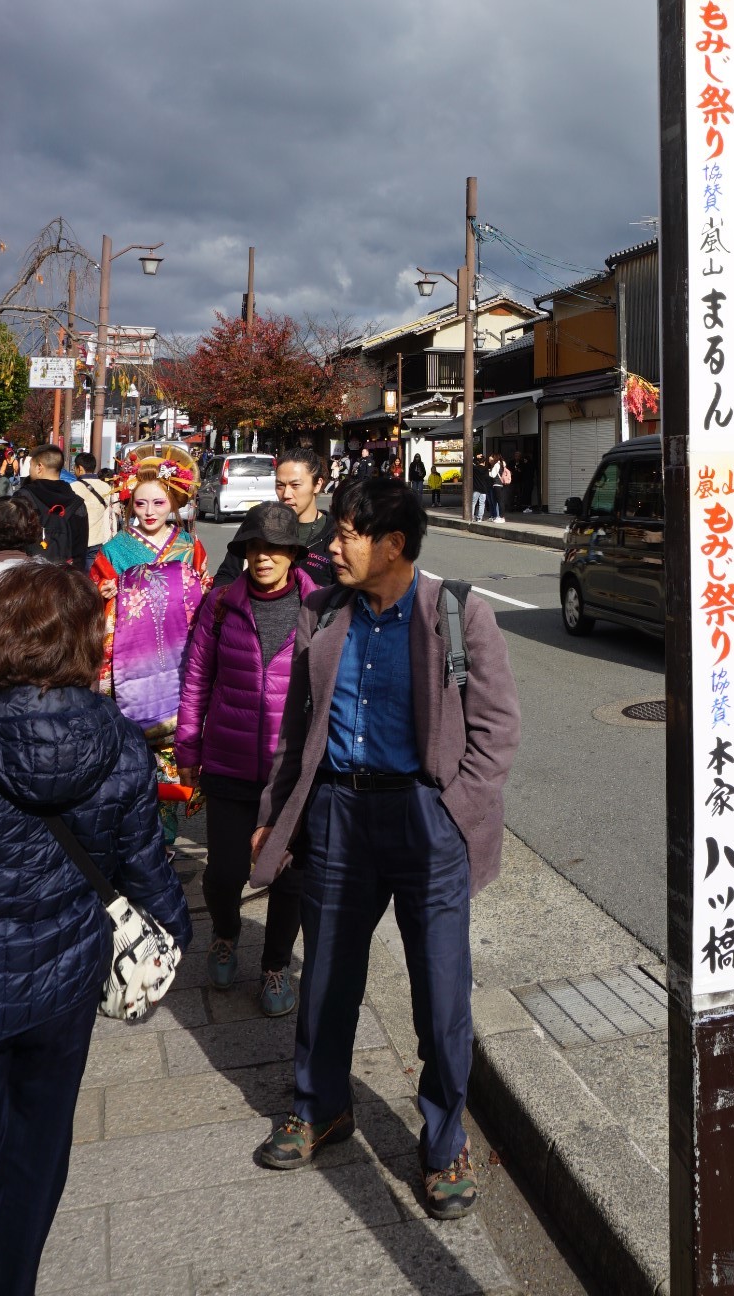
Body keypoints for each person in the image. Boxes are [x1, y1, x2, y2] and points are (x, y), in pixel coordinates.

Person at [249, 476, 521, 1217]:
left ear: (392, 544)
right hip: (337, 814)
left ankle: (442, 1143)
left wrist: (454, 811)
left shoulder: (459, 613)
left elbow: (496, 733)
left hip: (424, 821)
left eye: (345, 535)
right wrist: (278, 810)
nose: (329, 547)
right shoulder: (321, 612)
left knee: (440, 994)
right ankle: (322, 1107)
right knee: (328, 975)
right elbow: (296, 730)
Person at [0, 565, 191, 1295]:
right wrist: (176, 935)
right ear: (88, 644)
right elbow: (145, 869)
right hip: (66, 979)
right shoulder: (121, 743)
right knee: (37, 1156)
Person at [177, 503, 321, 1018]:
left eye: (276, 548)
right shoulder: (220, 606)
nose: (264, 558)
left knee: (291, 878)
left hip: (291, 774)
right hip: (229, 763)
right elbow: (195, 682)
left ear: (293, 555)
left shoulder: (319, 607)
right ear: (243, 552)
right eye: (255, 548)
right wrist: (188, 748)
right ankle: (224, 933)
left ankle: (275, 964)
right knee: (224, 873)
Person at [90, 449, 211, 839]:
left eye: (159, 502)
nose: (149, 511)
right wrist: (103, 593)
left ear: (175, 501)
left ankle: (168, 835)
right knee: (132, 748)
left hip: (180, 655)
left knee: (176, 746)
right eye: (140, 503)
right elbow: (93, 598)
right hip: (129, 658)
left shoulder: (189, 545)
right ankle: (137, 832)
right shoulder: (114, 550)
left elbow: (202, 593)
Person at [211, 443, 335, 592]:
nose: (286, 494)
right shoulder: (258, 523)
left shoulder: (335, 535)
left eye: (295, 485)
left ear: (317, 485)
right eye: (280, 485)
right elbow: (226, 576)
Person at [18, 444, 89, 571]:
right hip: (64, 577)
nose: (29, 471)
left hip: (30, 575)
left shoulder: (23, 497)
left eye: (30, 466)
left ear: (39, 467)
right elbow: (80, 550)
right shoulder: (77, 503)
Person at [70, 450, 118, 565]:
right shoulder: (106, 487)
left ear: (80, 468)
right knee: (92, 576)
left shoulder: (72, 487)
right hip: (97, 540)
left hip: (76, 541)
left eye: (74, 468)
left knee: (77, 575)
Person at [471, 452, 491, 522]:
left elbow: (470, 462)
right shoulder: (486, 470)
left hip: (476, 488)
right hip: (484, 489)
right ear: (484, 462)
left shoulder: (475, 469)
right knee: (482, 503)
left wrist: (475, 457)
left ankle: (472, 516)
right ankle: (480, 518)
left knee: (473, 503)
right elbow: (488, 479)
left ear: (478, 461)